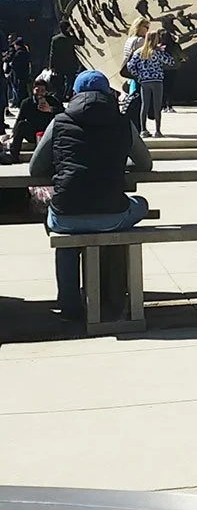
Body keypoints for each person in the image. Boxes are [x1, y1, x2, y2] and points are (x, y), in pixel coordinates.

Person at [29, 70, 151, 323]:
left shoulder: (60, 121)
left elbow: (35, 168)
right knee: (141, 205)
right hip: (112, 212)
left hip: (67, 213)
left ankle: (69, 304)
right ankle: (112, 298)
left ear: (74, 93)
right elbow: (145, 163)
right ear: (108, 93)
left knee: (65, 227)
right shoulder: (123, 123)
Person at [126, 28, 175, 137]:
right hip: (157, 81)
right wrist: (162, 51)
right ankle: (157, 130)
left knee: (145, 105)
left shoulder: (139, 52)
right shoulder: (157, 52)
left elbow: (130, 66)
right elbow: (171, 61)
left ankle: (143, 130)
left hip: (144, 81)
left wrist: (138, 74)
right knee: (157, 106)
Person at [5, 77, 62, 159]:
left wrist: (50, 109)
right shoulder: (27, 102)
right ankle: (13, 154)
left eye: (42, 91)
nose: (39, 93)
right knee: (21, 125)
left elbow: (63, 112)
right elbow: (20, 118)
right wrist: (13, 132)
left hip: (48, 132)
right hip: (33, 132)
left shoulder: (52, 101)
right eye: (37, 90)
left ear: (46, 92)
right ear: (33, 91)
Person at [47, 25, 82, 100]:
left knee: (60, 81)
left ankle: (60, 95)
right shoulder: (70, 38)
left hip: (59, 64)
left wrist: (51, 66)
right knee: (70, 80)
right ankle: (68, 94)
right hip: (71, 63)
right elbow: (80, 42)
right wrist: (78, 32)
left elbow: (52, 53)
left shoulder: (55, 39)